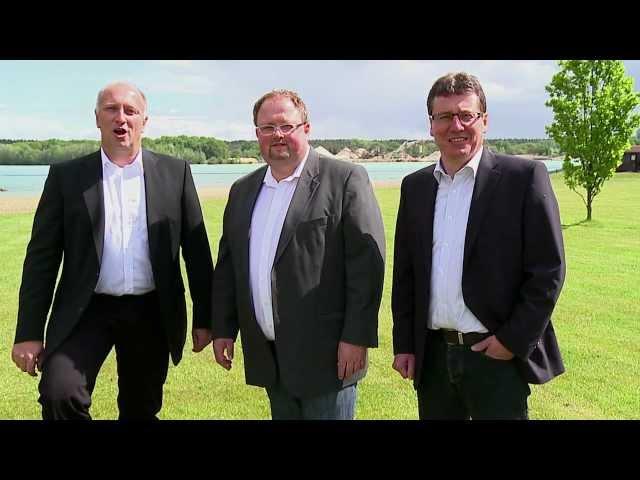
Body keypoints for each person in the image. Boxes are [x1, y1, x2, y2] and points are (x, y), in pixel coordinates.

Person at [11, 81, 214, 420]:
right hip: (86, 309)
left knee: (141, 408)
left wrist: (206, 319)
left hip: (150, 309)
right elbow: (41, 260)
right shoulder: (67, 177)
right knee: (59, 394)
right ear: (97, 118)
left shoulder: (175, 173)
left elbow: (196, 251)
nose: (121, 118)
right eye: (111, 109)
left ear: (144, 121)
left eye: (131, 111)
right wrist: (29, 332)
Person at [391, 72, 566, 419]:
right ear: (431, 125)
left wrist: (512, 341)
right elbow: (406, 275)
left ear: (484, 121)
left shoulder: (523, 178)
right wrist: (405, 345)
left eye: (466, 115)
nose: (455, 125)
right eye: (444, 116)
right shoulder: (416, 187)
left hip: (495, 357)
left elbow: (548, 270)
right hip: (434, 360)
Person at [211, 89, 385, 419]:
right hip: (270, 357)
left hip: (328, 357)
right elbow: (229, 268)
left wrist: (356, 336)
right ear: (256, 133)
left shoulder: (345, 179)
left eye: (286, 125)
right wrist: (223, 328)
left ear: (306, 128)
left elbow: (366, 267)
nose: (277, 134)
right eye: (267, 127)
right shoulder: (242, 191)